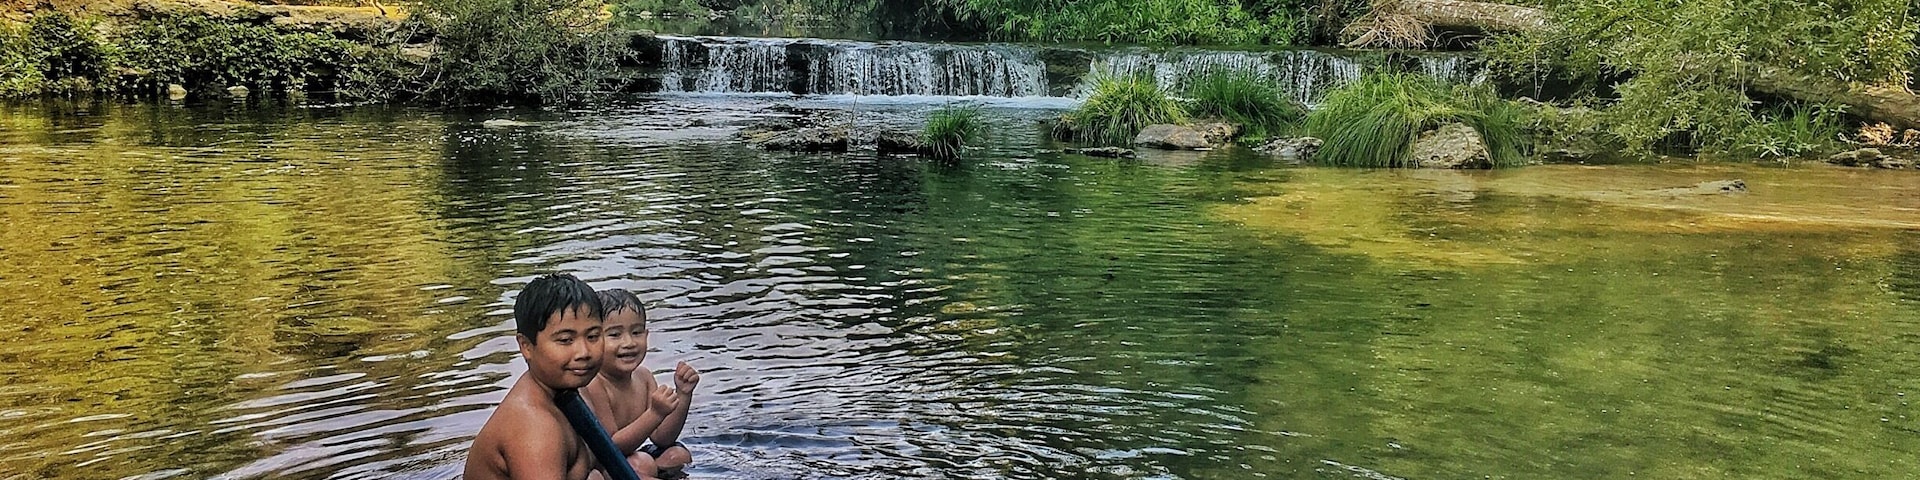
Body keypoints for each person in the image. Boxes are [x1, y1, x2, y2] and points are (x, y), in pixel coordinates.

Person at [465, 273, 608, 480]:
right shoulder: (535, 426)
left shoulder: (568, 392)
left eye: (593, 336)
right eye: (566, 340)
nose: (584, 352)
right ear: (526, 346)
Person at [584, 288, 701, 480]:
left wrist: (683, 395)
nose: (629, 342)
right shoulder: (595, 383)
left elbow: (662, 437)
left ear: (646, 335)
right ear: (593, 339)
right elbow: (611, 447)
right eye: (615, 335)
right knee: (641, 463)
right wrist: (655, 413)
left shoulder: (644, 376)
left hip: (631, 458)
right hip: (602, 466)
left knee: (678, 456)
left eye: (636, 332)